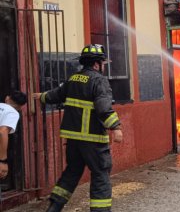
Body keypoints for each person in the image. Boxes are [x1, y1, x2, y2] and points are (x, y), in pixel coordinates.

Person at [33, 44, 123, 212]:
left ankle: (54, 207)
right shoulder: (99, 80)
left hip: (73, 139)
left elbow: (56, 95)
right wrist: (116, 127)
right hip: (93, 139)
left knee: (72, 171)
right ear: (97, 64)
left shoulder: (73, 78)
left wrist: (41, 97)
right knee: (100, 174)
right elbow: (103, 107)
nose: (102, 66)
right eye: (102, 63)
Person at [0, 90, 27, 179]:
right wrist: (3, 160)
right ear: (20, 107)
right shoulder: (12, 113)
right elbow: (3, 131)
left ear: (7, 98)